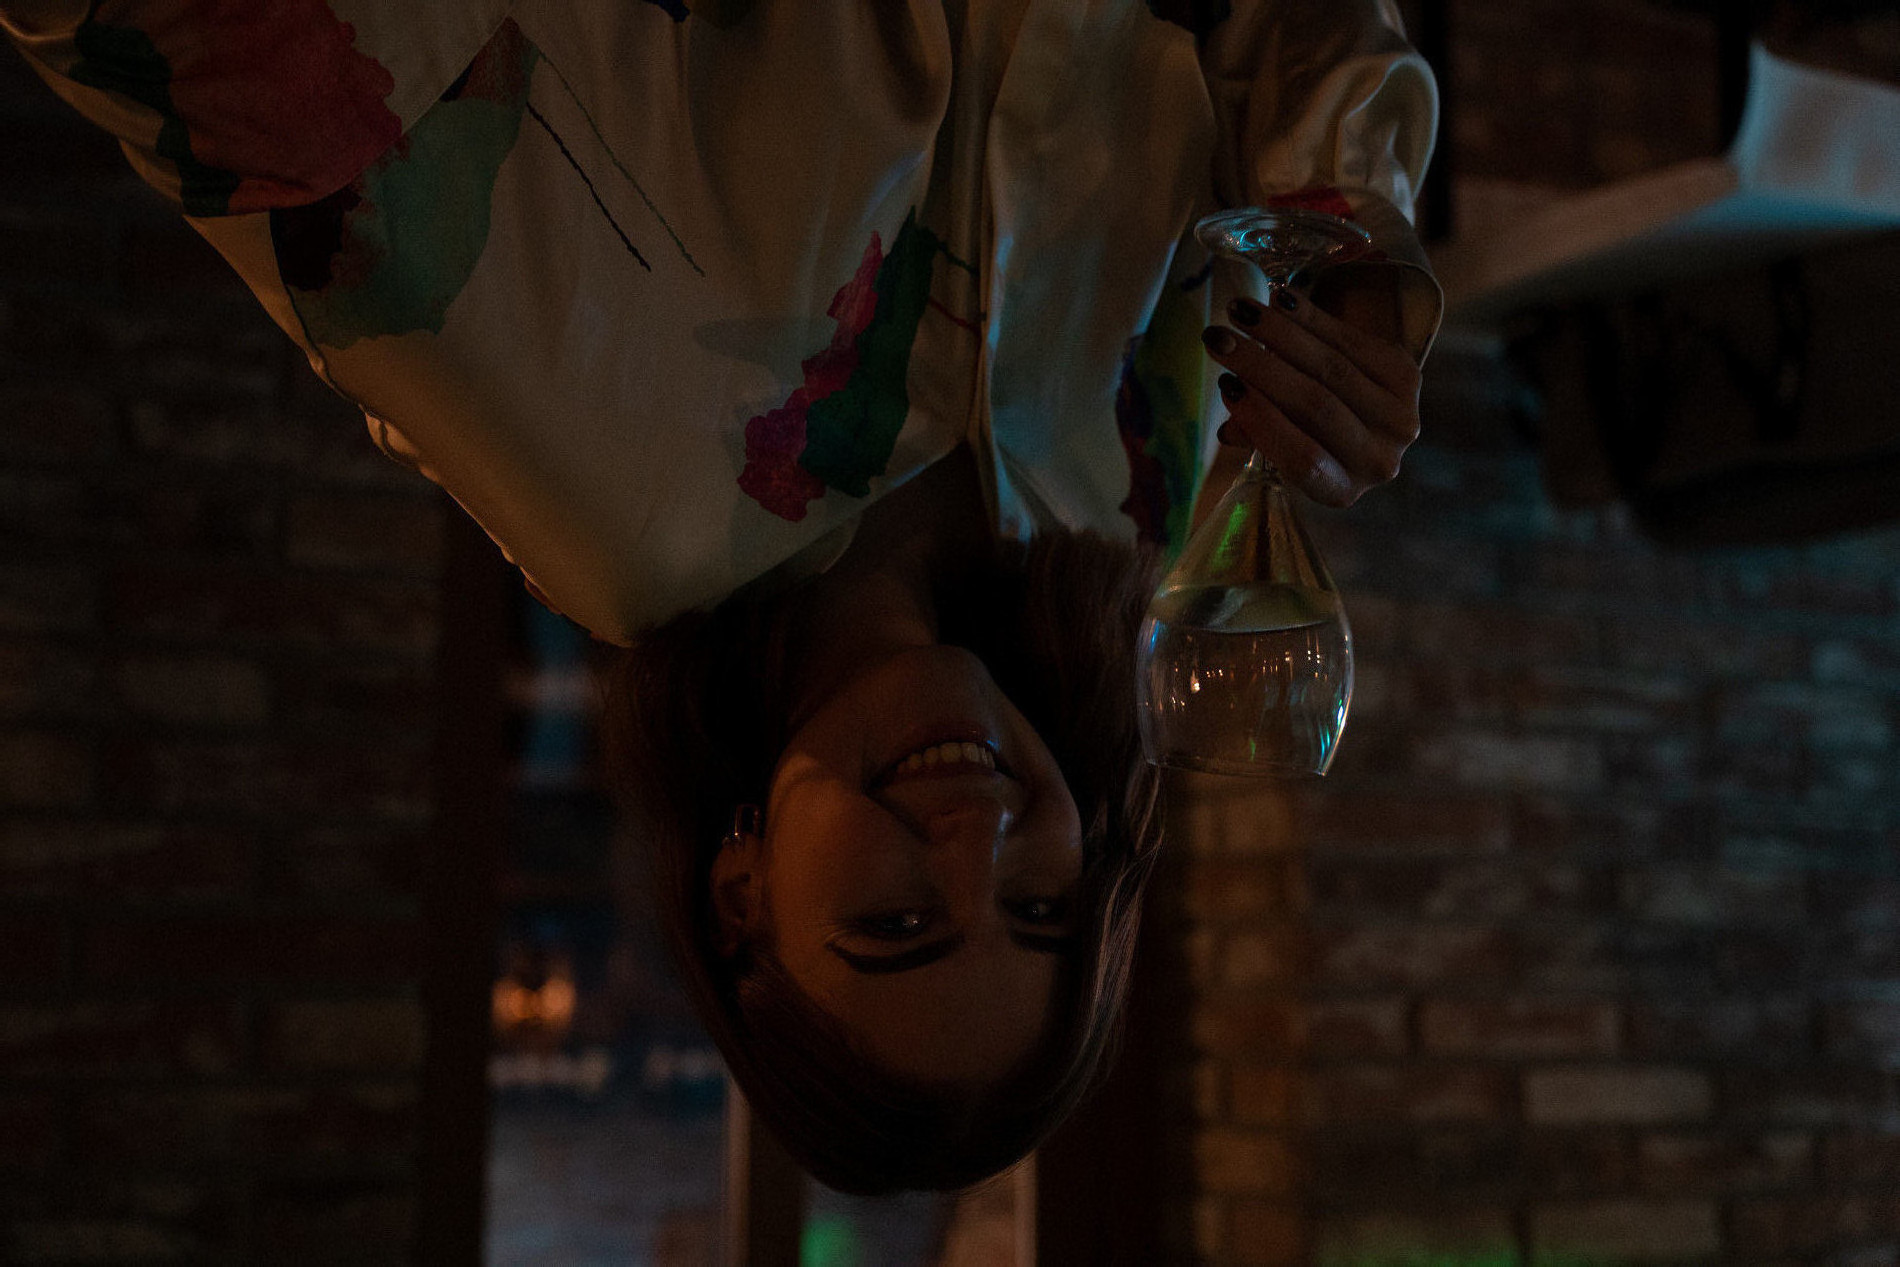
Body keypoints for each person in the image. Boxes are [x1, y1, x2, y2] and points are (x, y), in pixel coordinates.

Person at [3, 0, 1442, 1192]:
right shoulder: (1135, 504)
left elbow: (196, 56)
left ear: (744, 902)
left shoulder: (609, 490)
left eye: (898, 924)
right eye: (1040, 904)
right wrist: (1356, 250)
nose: (976, 840)